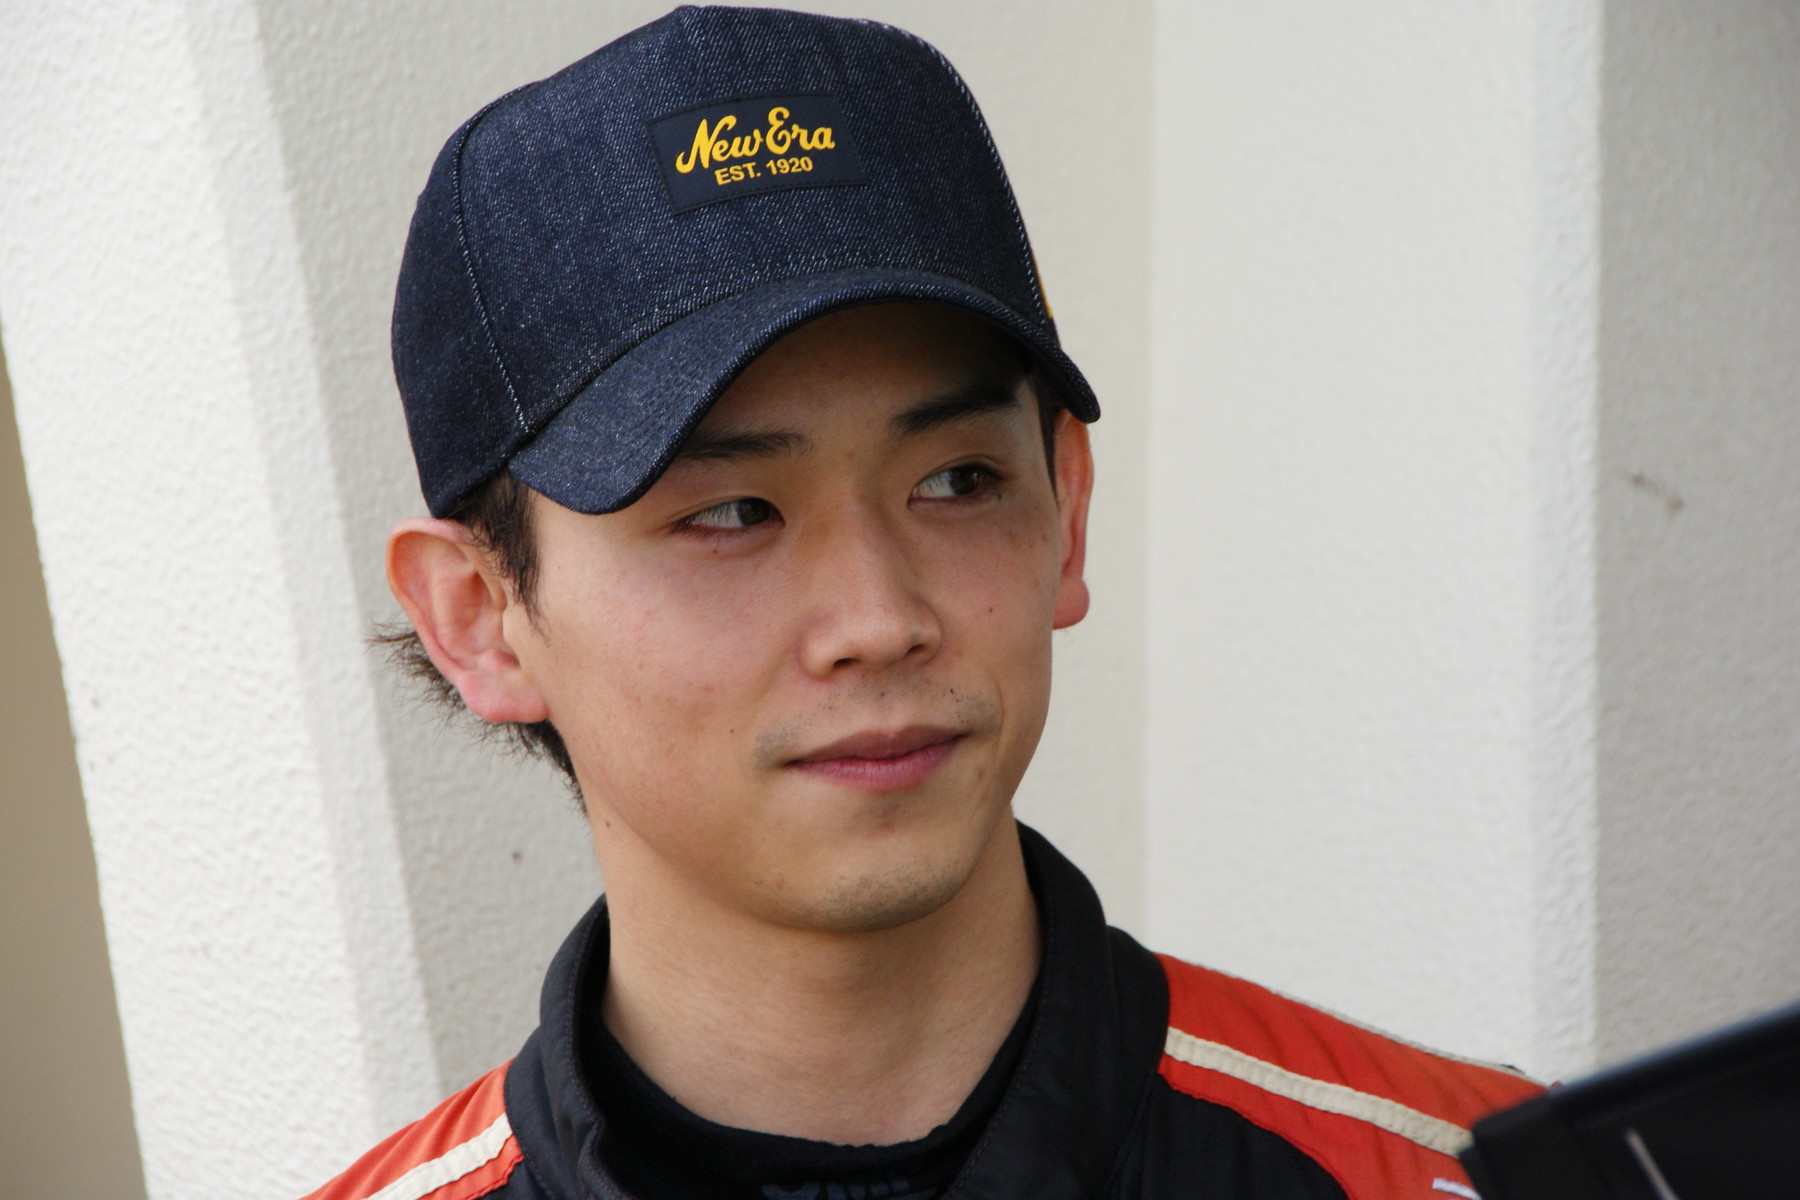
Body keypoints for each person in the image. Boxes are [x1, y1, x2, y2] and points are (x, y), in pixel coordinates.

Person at [305, 7, 1540, 1199]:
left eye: (958, 482)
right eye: (733, 513)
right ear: (478, 616)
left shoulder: (1476, 1176)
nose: (879, 619)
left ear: (1067, 511)